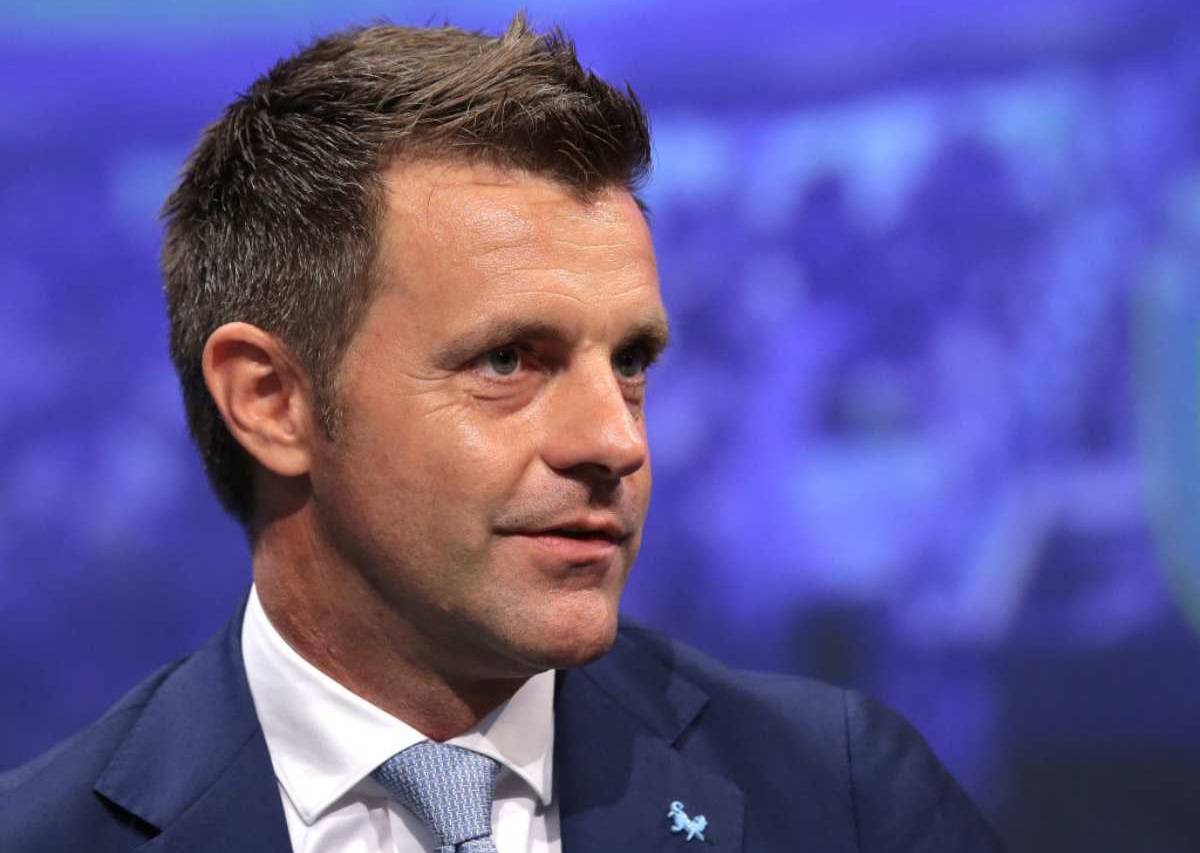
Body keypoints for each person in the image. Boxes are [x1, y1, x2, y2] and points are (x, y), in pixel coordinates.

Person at [0, 15, 1002, 852]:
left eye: (631, 361)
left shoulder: (843, 799)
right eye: (508, 360)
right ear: (272, 401)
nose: (616, 441)